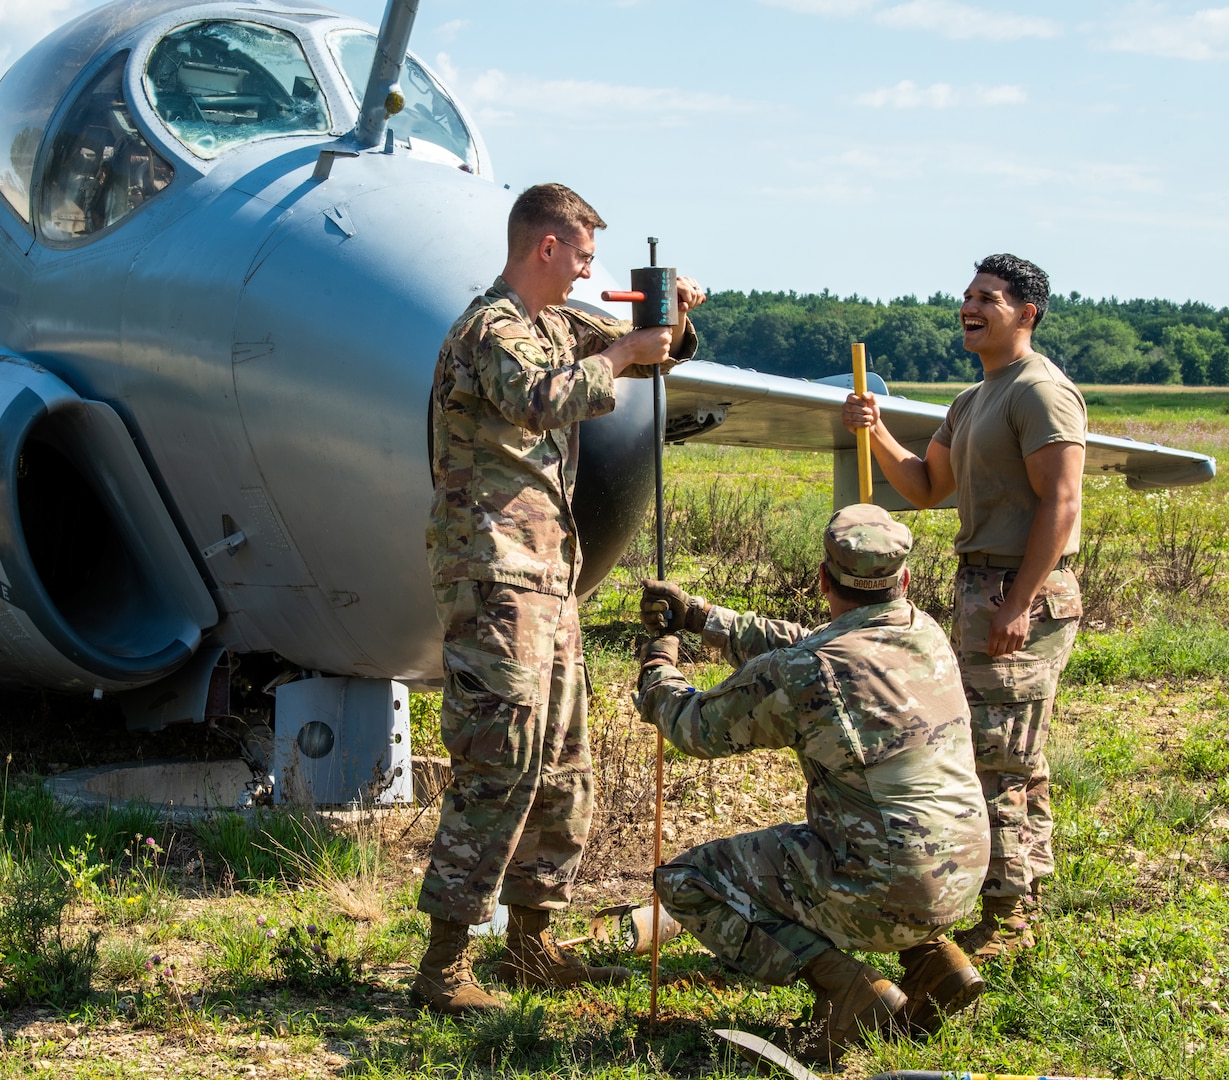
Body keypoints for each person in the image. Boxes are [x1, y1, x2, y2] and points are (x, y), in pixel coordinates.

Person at [415, 182, 706, 1014]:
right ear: (546, 247)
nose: (587, 274)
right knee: (498, 757)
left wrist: (672, 318)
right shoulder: (493, 329)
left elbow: (647, 349)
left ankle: (530, 938)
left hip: (548, 574)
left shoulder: (558, 324)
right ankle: (443, 966)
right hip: (493, 567)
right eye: (581, 256)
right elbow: (542, 398)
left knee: (564, 762)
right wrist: (624, 355)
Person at [636, 505, 990, 1063]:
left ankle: (849, 992)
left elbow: (695, 727)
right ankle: (936, 963)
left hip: (887, 885)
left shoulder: (804, 671)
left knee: (686, 880)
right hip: (964, 876)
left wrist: (658, 663)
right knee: (878, 830)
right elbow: (812, 643)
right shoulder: (927, 633)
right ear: (904, 581)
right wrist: (704, 618)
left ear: (822, 579)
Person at [841, 254, 1085, 963]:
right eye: (968, 297)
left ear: (1027, 313)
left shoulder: (1040, 392)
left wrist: (1021, 601)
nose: (970, 308)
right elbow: (923, 485)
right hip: (982, 587)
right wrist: (876, 427)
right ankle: (1021, 891)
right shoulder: (973, 399)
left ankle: (1008, 917)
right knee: (1010, 753)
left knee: (996, 757)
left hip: (1018, 590)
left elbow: (1060, 503)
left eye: (989, 299)